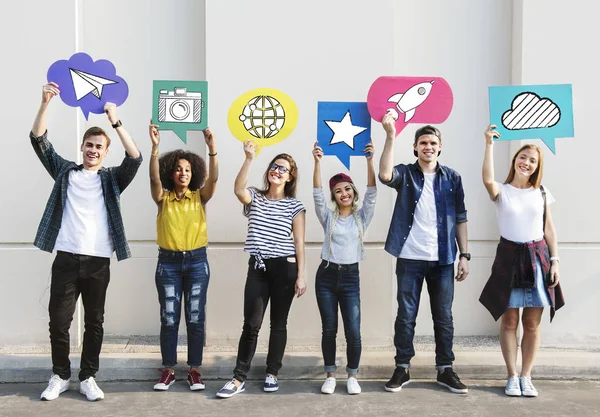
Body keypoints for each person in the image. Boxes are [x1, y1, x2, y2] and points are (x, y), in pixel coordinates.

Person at [32, 82, 142, 401]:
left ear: (105, 152)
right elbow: (39, 141)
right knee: (58, 322)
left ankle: (88, 377)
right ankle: (60, 375)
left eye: (99, 146)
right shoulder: (66, 173)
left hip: (98, 261)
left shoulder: (111, 180)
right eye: (89, 145)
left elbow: (134, 158)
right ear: (82, 147)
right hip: (66, 258)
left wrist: (115, 122)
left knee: (94, 322)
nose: (93, 150)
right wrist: (45, 103)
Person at [378, 112, 470, 394]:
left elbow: (462, 218)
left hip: (443, 259)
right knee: (406, 315)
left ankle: (445, 370)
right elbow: (384, 174)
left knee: (443, 316)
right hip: (410, 257)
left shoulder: (452, 178)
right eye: (423, 143)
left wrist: (464, 255)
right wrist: (391, 135)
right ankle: (402, 368)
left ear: (439, 147)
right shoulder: (406, 173)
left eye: (432, 142)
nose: (428, 147)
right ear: (415, 147)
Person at [479, 125, 565, 397]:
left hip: (538, 260)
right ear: (515, 160)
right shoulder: (501, 191)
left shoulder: (541, 192)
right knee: (509, 322)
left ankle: (527, 375)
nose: (526, 162)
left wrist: (555, 260)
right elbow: (487, 178)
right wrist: (489, 144)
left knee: (532, 324)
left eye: (532, 160)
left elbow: (549, 228)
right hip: (509, 259)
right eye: (523, 157)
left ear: (537, 167)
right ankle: (512, 375)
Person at [216, 140, 307, 398]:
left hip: (285, 268)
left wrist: (301, 275)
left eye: (283, 169)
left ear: (290, 177)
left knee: (278, 324)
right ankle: (238, 378)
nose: (277, 171)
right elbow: (238, 189)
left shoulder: (295, 206)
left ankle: (272, 372)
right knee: (251, 324)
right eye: (274, 166)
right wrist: (249, 158)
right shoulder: (254, 196)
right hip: (258, 267)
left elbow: (299, 242)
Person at [148, 122, 218, 391]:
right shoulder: (162, 198)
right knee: (169, 317)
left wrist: (212, 149)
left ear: (193, 173)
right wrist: (155, 149)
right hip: (168, 264)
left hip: (197, 262)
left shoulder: (199, 197)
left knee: (196, 317)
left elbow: (214, 180)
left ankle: (194, 370)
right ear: (171, 172)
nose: (183, 173)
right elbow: (154, 179)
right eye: (178, 168)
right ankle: (167, 370)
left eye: (188, 169)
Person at [312, 141, 376, 395]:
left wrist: (370, 160)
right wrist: (317, 162)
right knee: (329, 328)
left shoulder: (362, 217)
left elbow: (372, 193)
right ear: (335, 196)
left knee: (353, 329)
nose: (344, 193)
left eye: (347, 188)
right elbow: (317, 194)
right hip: (326, 275)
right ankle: (330, 375)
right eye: (338, 191)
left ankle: (352, 375)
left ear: (353, 192)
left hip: (350, 277)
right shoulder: (328, 217)